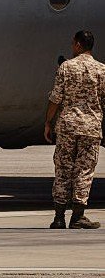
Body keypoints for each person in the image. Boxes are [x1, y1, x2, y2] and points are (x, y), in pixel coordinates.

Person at [44, 30, 105, 229]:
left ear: (78, 45)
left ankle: (59, 217)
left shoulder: (66, 68)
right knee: (84, 170)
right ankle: (78, 216)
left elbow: (55, 98)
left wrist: (48, 122)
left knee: (63, 169)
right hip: (90, 127)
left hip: (67, 126)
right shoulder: (101, 70)